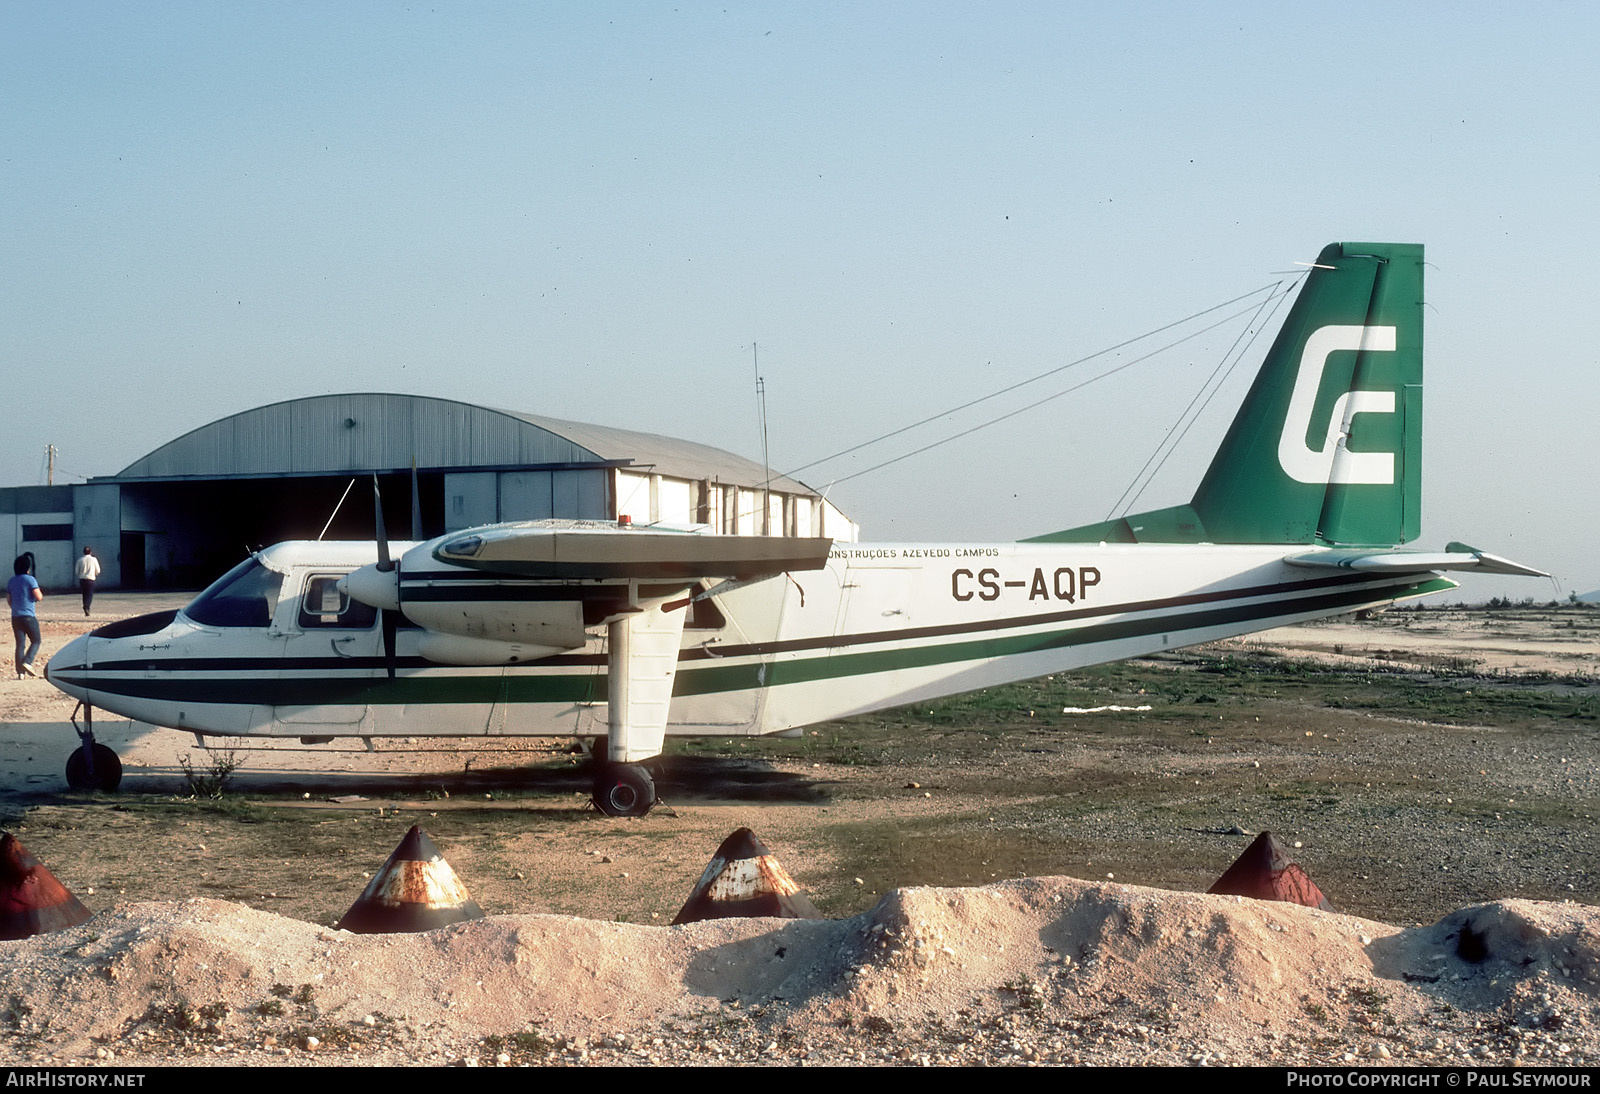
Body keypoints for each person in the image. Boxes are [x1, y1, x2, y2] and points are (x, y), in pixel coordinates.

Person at [9, 553, 43, 679]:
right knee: (36, 640)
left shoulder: (11, 581)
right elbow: (38, 596)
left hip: (15, 616)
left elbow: (9, 599)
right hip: (28, 615)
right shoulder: (30, 579)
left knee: (20, 644)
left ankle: (20, 673)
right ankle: (27, 662)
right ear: (27, 567)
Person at [75, 546, 101, 616]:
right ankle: (87, 606)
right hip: (91, 579)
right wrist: (94, 574)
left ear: (83, 552)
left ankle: (85, 605)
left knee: (84, 594)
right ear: (90, 552)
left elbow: (76, 571)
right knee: (89, 594)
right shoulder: (94, 559)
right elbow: (98, 570)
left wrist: (80, 575)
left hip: (82, 579)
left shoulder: (80, 560)